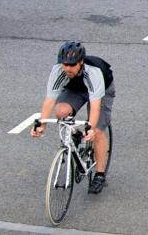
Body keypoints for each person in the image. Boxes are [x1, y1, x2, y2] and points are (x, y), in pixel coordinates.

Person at [31, 41, 115, 194]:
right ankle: (75, 134)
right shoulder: (58, 71)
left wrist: (90, 128)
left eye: (72, 65)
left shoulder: (93, 72)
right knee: (61, 111)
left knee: (96, 130)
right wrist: (42, 125)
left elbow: (95, 106)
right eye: (65, 64)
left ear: (81, 62)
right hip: (76, 89)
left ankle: (100, 174)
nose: (67, 68)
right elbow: (50, 100)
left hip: (100, 90)